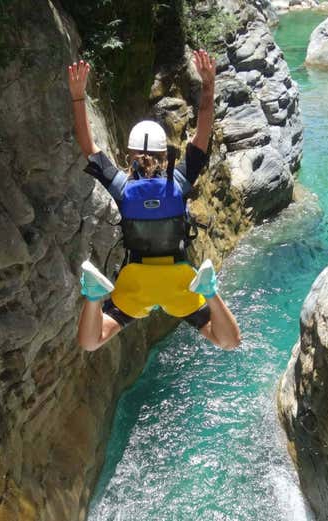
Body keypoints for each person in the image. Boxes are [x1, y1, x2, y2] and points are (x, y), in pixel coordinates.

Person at [68, 50, 241, 352]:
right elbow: (202, 137)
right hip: (179, 279)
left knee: (90, 342)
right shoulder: (178, 182)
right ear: (165, 154)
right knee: (228, 341)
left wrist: (78, 97)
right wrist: (209, 84)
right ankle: (210, 291)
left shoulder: (123, 188)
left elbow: (89, 148)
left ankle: (94, 297)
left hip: (136, 281)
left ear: (129, 154)